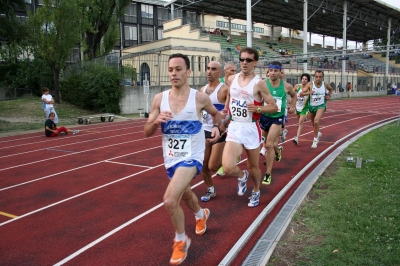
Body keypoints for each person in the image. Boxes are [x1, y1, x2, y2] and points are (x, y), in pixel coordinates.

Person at [143, 53, 221, 265]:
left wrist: (215, 127)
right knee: (186, 195)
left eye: (178, 69)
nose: (174, 73)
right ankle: (200, 214)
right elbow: (146, 131)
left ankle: (180, 240)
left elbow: (217, 114)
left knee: (170, 200)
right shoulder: (160, 99)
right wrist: (156, 121)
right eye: (170, 70)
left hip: (192, 156)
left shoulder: (199, 98)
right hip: (171, 159)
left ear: (188, 72)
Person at [222, 47, 278, 207]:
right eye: (242, 59)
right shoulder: (232, 78)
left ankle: (256, 190)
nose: (244, 63)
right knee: (227, 167)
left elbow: (273, 106)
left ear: (255, 62)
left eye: (248, 60)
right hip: (234, 127)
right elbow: (229, 92)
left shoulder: (259, 84)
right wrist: (225, 110)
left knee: (253, 167)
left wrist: (258, 108)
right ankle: (241, 176)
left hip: (251, 128)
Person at [259, 62, 296, 186]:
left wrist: (292, 105)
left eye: (275, 71)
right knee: (266, 143)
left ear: (280, 72)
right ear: (268, 72)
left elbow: (294, 95)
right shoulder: (263, 84)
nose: (273, 73)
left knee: (269, 144)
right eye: (270, 70)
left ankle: (268, 174)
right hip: (264, 117)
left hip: (277, 118)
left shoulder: (286, 86)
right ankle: (278, 151)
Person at [199, 61, 230, 202]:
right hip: (204, 130)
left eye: (213, 69)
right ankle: (210, 189)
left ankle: (228, 157)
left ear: (220, 73)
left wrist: (225, 124)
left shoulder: (225, 90)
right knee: (203, 164)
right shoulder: (201, 90)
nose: (209, 71)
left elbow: (232, 111)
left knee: (213, 166)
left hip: (220, 130)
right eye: (208, 69)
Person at [300, 70, 333, 148]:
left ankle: (315, 140)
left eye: (320, 77)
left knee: (316, 121)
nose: (318, 78)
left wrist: (329, 95)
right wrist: (309, 92)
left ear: (322, 77)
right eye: (316, 77)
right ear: (314, 77)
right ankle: (317, 133)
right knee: (314, 124)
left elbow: (331, 89)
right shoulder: (310, 84)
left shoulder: (325, 84)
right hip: (312, 106)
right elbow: (301, 93)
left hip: (321, 105)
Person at [292, 73, 311, 145]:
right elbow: (293, 94)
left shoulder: (309, 88)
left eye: (306, 79)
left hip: (304, 108)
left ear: (308, 81)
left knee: (300, 123)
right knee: (299, 121)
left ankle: (297, 138)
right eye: (303, 79)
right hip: (297, 107)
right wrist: (292, 100)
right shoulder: (297, 86)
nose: (304, 80)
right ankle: (305, 118)